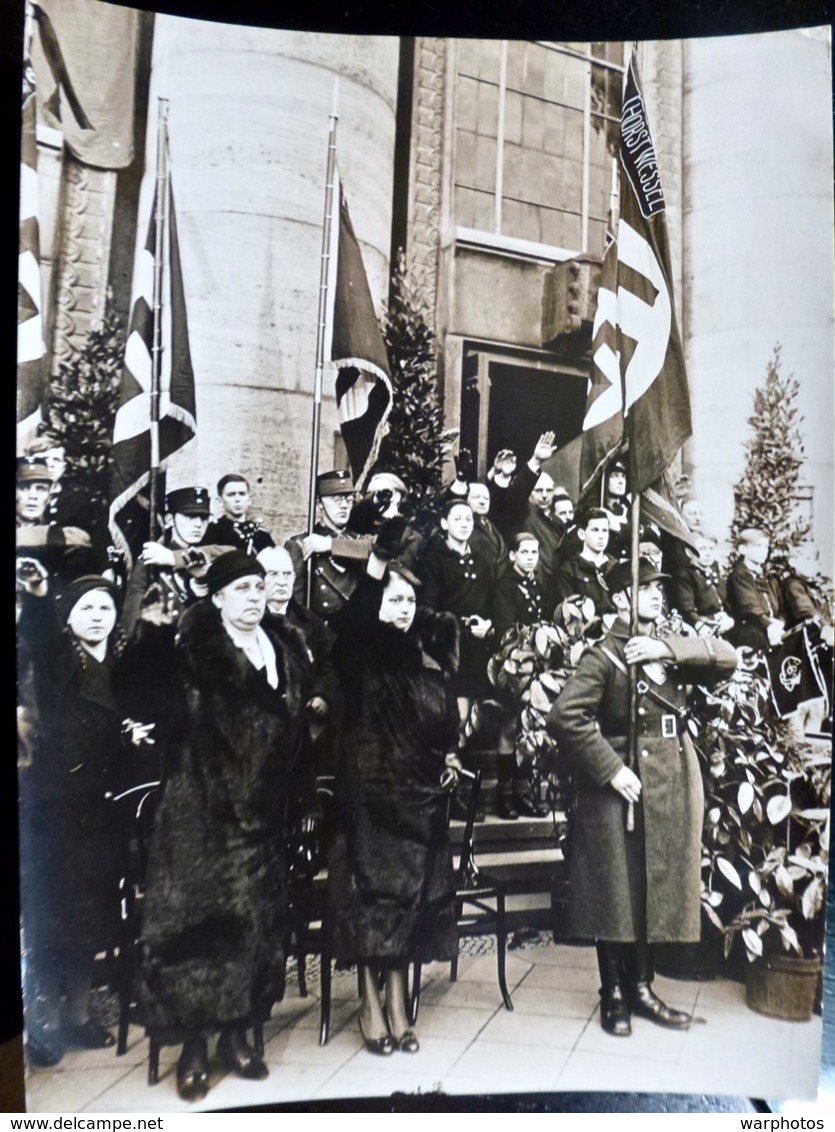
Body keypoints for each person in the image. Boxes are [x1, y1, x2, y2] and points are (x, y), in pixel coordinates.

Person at [124, 550, 314, 1102]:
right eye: (242, 589)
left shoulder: (285, 651)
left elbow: (292, 733)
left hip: (260, 820)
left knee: (254, 930)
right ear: (217, 598)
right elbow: (143, 693)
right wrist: (151, 636)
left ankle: (236, 1039)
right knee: (199, 934)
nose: (254, 597)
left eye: (259, 587)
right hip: (200, 817)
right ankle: (193, 1051)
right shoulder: (193, 654)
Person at [547, 557, 738, 1037]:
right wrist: (612, 770)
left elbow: (729, 657)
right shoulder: (604, 656)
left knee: (651, 888)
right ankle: (613, 993)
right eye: (644, 587)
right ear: (619, 598)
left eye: (659, 587)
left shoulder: (668, 653)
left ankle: (643, 989)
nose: (656, 595)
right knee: (615, 892)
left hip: (669, 786)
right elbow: (565, 716)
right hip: (618, 790)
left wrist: (666, 647)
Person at [326, 536, 460, 1056]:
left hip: (417, 794)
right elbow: (347, 633)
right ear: (376, 604)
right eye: (391, 600)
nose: (400, 611)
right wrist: (374, 576)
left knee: (410, 901)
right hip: (367, 795)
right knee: (372, 901)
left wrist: (449, 755)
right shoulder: (360, 650)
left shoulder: (428, 655)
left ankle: (400, 1002)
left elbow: (443, 723)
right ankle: (369, 1001)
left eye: (408, 602)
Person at [17, 567, 128, 1066]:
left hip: (105, 807)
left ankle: (79, 1015)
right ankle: (44, 1023)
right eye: (87, 608)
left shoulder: (122, 661)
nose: (98, 616)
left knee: (91, 913)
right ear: (68, 617)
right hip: (57, 806)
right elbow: (41, 642)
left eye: (106, 607)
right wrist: (40, 597)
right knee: (51, 915)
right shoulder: (64, 659)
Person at [257, 544, 341, 776]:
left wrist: (321, 695)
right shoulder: (248, 621)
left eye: (287, 574)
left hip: (303, 722)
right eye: (273, 574)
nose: (282, 581)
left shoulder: (311, 623)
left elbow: (329, 665)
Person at [492, 533, 550, 819]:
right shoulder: (505, 586)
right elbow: (505, 629)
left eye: (534, 552)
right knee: (510, 727)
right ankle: (505, 796)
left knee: (530, 727)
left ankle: (525, 792)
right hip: (513, 667)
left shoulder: (538, 583)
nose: (530, 557)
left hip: (537, 668)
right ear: (512, 555)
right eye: (524, 552)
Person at [285, 469, 372, 621]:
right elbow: (296, 607)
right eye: (336, 499)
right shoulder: (301, 544)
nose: (344, 505)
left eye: (348, 499)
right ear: (319, 504)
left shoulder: (361, 540)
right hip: (325, 636)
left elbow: (376, 553)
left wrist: (331, 545)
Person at [724, 528, 784, 652]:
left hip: (771, 626)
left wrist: (781, 622)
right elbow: (750, 607)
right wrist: (769, 625)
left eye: (766, 546)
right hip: (749, 628)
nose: (763, 550)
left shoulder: (769, 577)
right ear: (742, 549)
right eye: (758, 546)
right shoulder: (739, 576)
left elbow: (782, 607)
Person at [553, 507, 616, 621]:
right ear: (582, 534)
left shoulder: (616, 566)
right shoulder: (569, 569)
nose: (601, 536)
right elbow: (569, 614)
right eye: (595, 530)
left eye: (605, 530)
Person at [204, 474, 275, 556]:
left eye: (242, 494)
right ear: (220, 501)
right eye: (231, 494)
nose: (237, 499)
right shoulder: (211, 531)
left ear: (249, 500)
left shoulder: (261, 534)